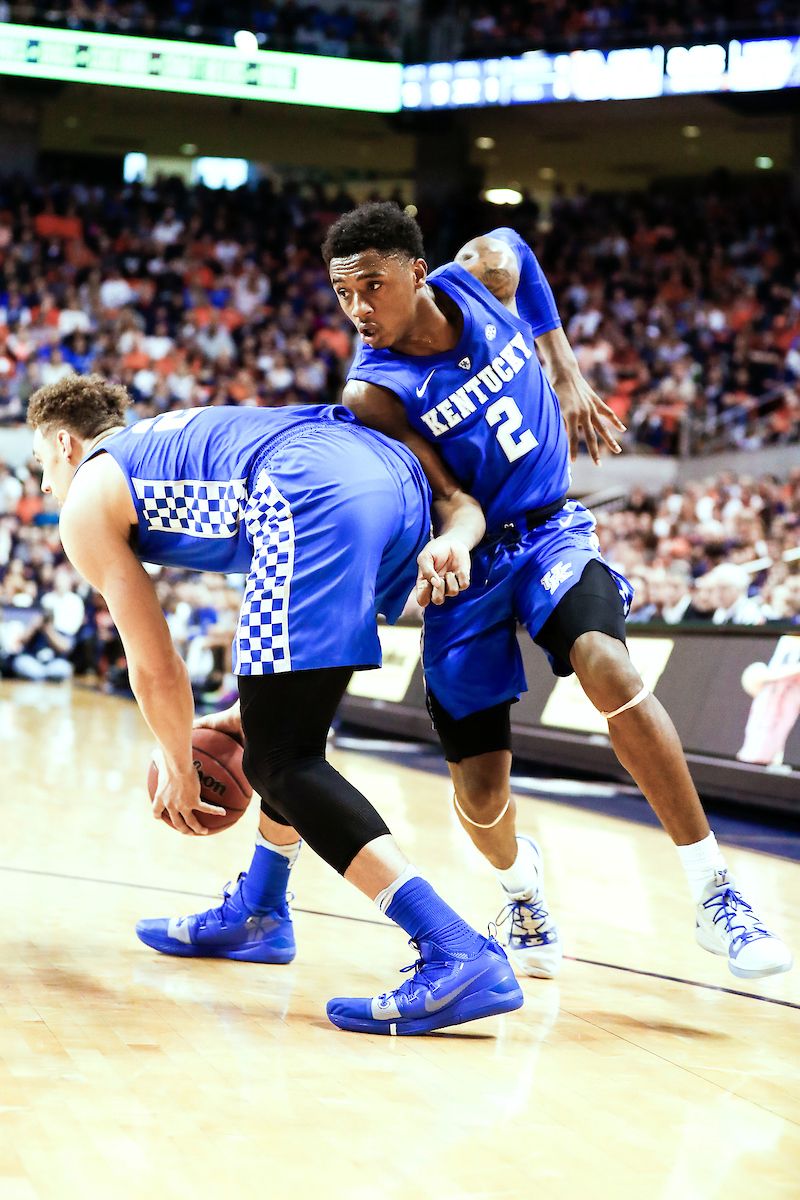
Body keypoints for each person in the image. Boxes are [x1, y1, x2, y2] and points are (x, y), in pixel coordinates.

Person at [313, 202, 786, 983]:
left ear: (418, 274)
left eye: (373, 286)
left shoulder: (483, 273)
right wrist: (439, 551)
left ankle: (715, 891)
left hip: (550, 533)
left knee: (609, 664)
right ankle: (520, 886)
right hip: (467, 570)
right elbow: (451, 501)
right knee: (482, 801)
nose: (358, 309)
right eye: (343, 293)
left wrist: (562, 365)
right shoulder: (375, 393)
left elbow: (521, 253)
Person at [27, 374, 524, 1036]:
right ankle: (260, 911)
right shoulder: (166, 438)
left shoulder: (87, 494)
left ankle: (455, 948)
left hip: (311, 494)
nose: (41, 485)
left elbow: (154, 664)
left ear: (64, 443)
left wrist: (178, 761)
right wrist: (246, 713)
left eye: (38, 466)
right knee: (283, 740)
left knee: (281, 761)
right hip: (390, 485)